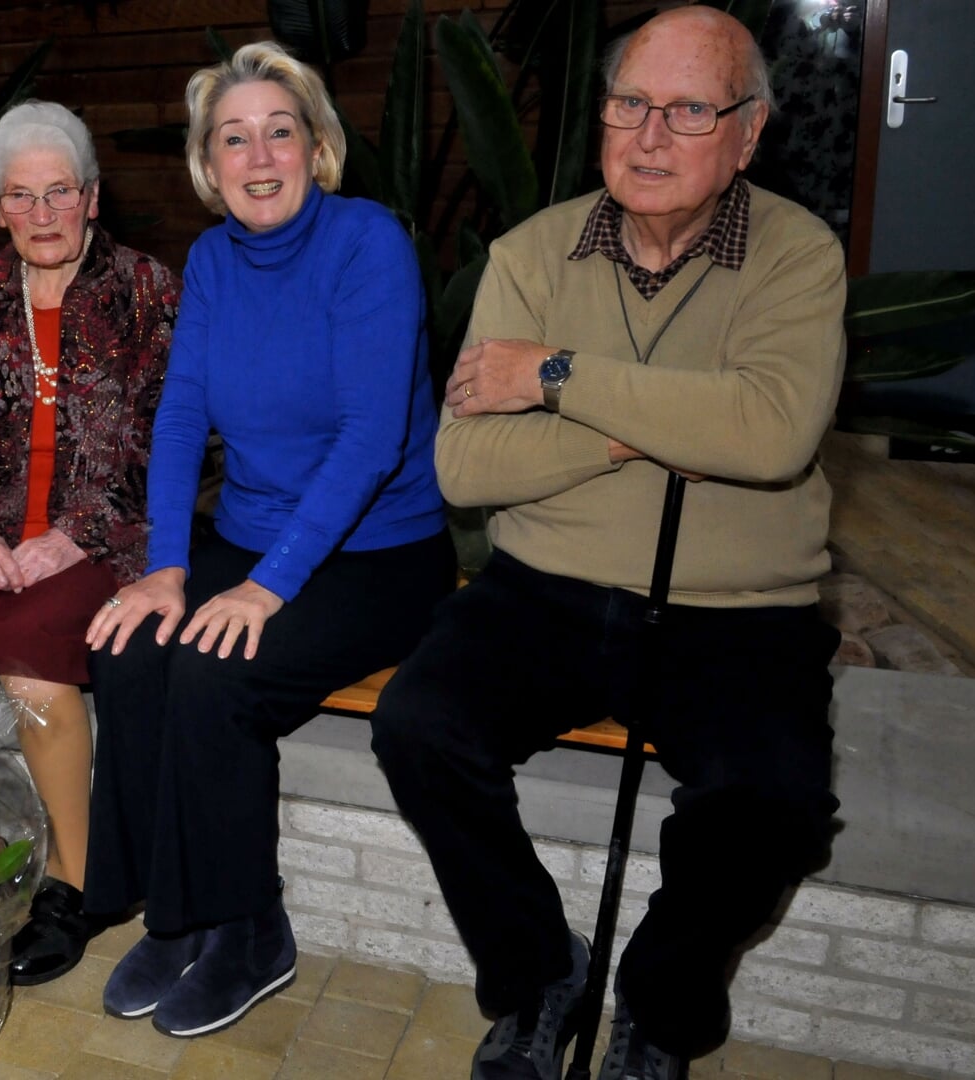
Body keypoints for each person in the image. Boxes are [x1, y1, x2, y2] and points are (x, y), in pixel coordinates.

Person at [367, 9, 846, 1080]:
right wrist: (662, 426)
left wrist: (556, 381)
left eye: (688, 110)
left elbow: (770, 436)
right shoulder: (533, 255)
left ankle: (662, 1012)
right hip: (543, 590)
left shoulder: (795, 258)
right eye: (630, 104)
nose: (649, 135)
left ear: (749, 132)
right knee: (419, 724)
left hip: (737, 613)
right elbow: (467, 470)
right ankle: (540, 975)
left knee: (773, 801)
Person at [83, 42, 449, 1037]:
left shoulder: (368, 244)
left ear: (316, 146)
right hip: (250, 535)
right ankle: (175, 911)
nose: (258, 156)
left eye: (278, 132)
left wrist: (267, 586)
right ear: (208, 163)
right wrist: (166, 568)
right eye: (232, 138)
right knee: (128, 646)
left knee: (216, 672)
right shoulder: (210, 260)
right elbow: (180, 415)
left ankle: (250, 931)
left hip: (381, 554)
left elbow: (372, 437)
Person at [0, 101, 179, 984]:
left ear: (92, 198)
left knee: (32, 675)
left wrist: (76, 535)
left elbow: (169, 436)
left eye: (61, 192)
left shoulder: (145, 289)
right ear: (0, 205)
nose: (44, 214)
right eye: (24, 196)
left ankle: (76, 883)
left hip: (109, 538)